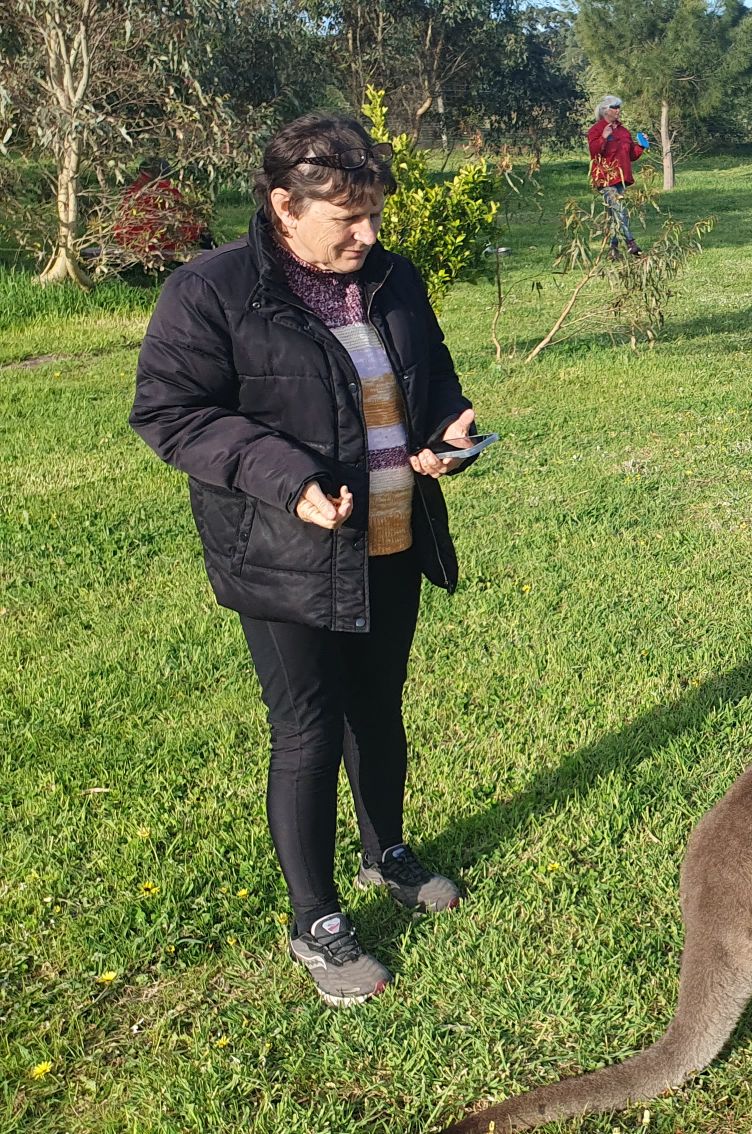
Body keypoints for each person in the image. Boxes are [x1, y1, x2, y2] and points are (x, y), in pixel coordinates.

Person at [130, 115, 481, 1009]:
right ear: (283, 205)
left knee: (380, 711)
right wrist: (290, 482)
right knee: (309, 729)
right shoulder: (210, 292)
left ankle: (386, 852)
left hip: (392, 535)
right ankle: (314, 919)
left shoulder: (393, 276)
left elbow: (427, 372)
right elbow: (172, 414)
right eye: (346, 222)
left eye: (373, 219)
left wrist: (445, 430)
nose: (367, 239)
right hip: (285, 557)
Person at [587, 95, 646, 257]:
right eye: (615, 107)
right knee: (620, 210)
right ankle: (631, 243)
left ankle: (613, 250)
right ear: (606, 110)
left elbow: (631, 155)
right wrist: (604, 138)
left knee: (614, 214)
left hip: (621, 177)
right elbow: (594, 152)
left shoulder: (623, 131)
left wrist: (641, 145)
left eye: (619, 107)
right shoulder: (596, 130)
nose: (618, 110)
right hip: (605, 178)